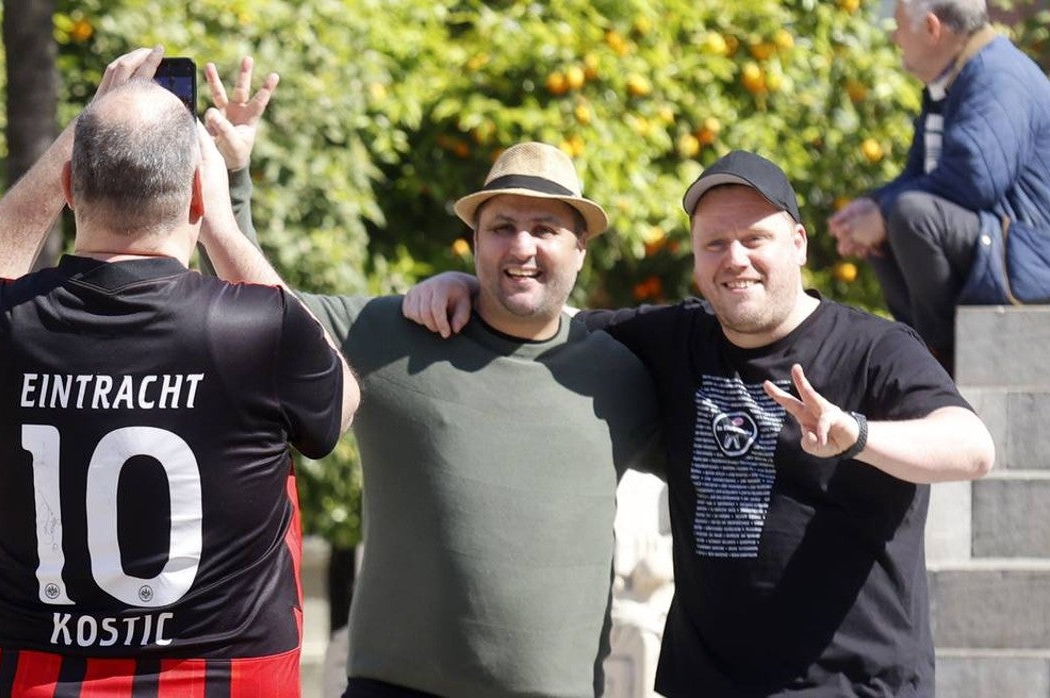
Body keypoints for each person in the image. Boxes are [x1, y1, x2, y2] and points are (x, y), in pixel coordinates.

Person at [405, 149, 996, 696]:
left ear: (798, 243)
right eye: (714, 244)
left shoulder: (874, 350)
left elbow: (972, 448)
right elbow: (548, 325)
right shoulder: (674, 338)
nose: (734, 259)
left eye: (754, 239)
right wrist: (466, 285)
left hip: (855, 686)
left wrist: (856, 435)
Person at [201, 60, 663, 698]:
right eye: (502, 228)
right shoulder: (396, 335)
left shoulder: (621, 373)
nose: (522, 247)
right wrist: (233, 175)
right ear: (474, 242)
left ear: (580, 248)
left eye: (546, 229)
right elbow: (263, 311)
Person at [0, 47, 358, 696]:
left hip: (38, 678)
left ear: (70, 186)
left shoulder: (0, 326)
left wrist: (71, 142)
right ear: (196, 195)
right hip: (227, 680)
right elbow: (339, 398)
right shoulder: (253, 331)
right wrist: (223, 226)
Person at [827, 0, 1050, 375]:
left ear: (932, 28)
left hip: (1031, 255)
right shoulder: (950, 80)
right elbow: (917, 175)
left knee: (911, 215)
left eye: (898, 26)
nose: (894, 36)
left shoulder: (998, 76)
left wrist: (883, 213)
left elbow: (973, 181)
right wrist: (867, 212)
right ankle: (919, 346)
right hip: (992, 243)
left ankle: (939, 362)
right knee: (892, 212)